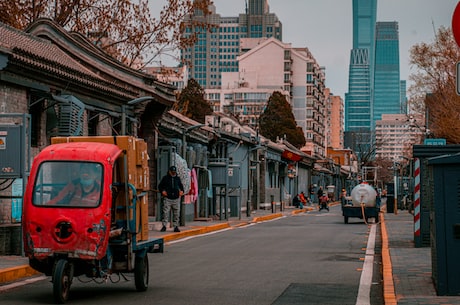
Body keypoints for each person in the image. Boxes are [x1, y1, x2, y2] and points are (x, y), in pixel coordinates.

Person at [158, 166, 184, 232]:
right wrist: (163, 191)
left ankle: (176, 226)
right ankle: (164, 225)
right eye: (172, 172)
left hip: (176, 198)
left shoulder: (177, 179)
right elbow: (160, 186)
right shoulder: (165, 178)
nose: (173, 174)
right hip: (167, 198)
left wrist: (181, 191)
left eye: (174, 172)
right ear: (169, 172)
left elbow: (181, 187)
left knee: (176, 213)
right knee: (165, 213)